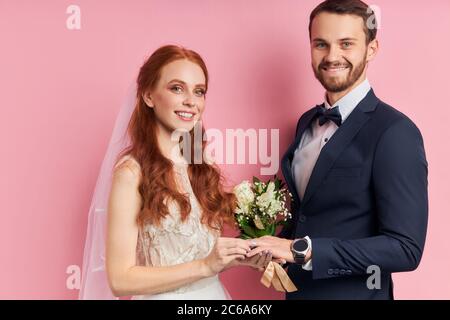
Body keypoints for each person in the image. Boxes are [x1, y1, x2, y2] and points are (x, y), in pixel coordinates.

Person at [246, 0, 428, 300]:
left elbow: (405, 248)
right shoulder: (306, 122)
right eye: (321, 44)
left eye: (346, 44)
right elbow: (311, 217)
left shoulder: (395, 132)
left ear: (371, 48)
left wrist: (299, 250)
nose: (332, 56)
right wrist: (269, 247)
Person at [79, 45, 272, 300]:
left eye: (199, 91)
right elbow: (120, 279)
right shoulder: (131, 172)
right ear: (149, 96)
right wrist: (206, 266)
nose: (191, 101)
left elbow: (201, 257)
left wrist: (238, 258)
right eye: (176, 88)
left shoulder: (199, 163)